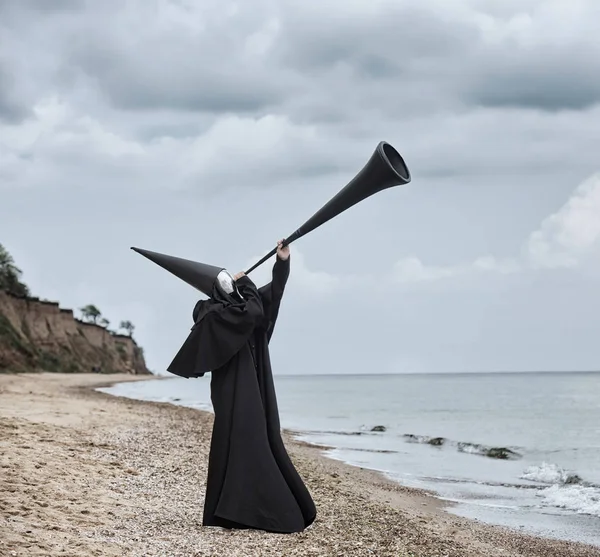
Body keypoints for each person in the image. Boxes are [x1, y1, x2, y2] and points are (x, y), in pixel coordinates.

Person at [167, 240, 316, 533]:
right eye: (223, 281)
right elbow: (252, 313)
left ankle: (238, 511)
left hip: (254, 385)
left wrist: (282, 262)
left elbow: (273, 295)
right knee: (241, 440)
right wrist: (246, 282)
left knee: (259, 438)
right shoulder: (209, 311)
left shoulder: (244, 303)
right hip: (231, 389)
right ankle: (236, 512)